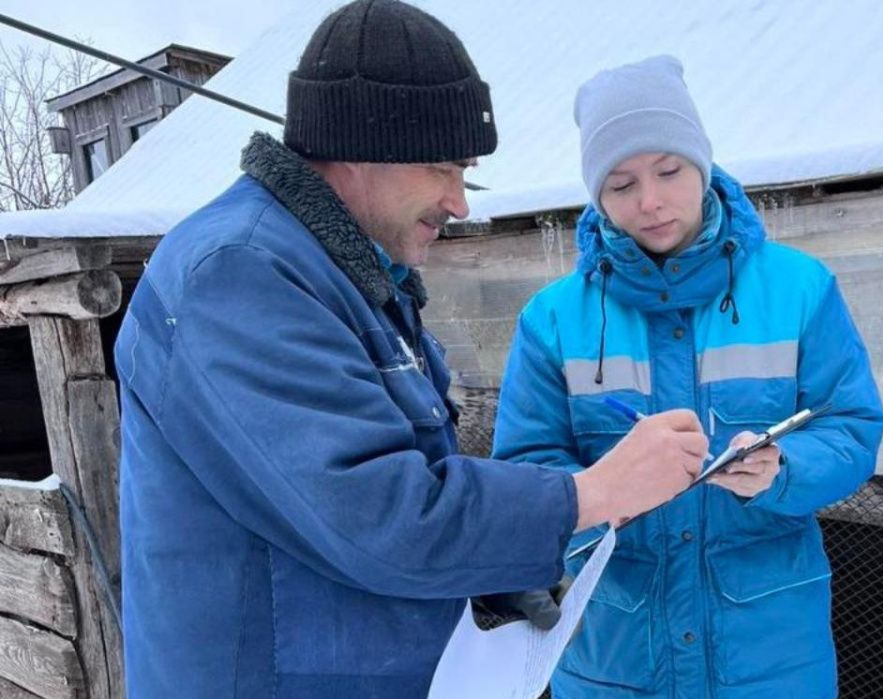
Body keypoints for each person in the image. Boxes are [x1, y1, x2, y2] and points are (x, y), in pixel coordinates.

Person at [114, 5, 709, 697]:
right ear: (360, 148)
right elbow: (376, 514)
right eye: (441, 167)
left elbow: (416, 473)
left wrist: (500, 573)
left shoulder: (355, 277)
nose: (459, 201)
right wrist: (592, 492)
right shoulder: (239, 275)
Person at [492, 55, 883, 698]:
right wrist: (602, 487)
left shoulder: (799, 289)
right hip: (616, 657)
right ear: (595, 195)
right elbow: (526, 465)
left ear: (702, 165)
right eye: (620, 185)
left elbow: (853, 427)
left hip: (768, 657)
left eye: (668, 171)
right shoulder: (553, 320)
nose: (649, 201)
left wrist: (780, 467)